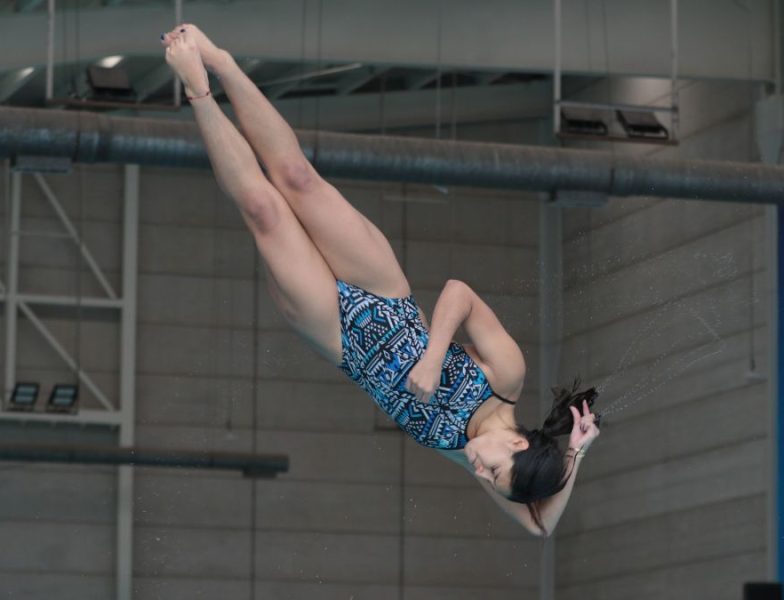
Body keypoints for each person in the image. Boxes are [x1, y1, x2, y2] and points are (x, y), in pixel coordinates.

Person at [160, 25, 600, 537]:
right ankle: (221, 61)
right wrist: (433, 358)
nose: (482, 474)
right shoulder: (506, 379)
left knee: (264, 210)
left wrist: (576, 452)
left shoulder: (463, 451)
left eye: (490, 480)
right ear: (518, 444)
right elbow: (459, 293)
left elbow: (540, 528)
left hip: (338, 336)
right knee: (297, 178)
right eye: (495, 471)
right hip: (388, 296)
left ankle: (197, 90)